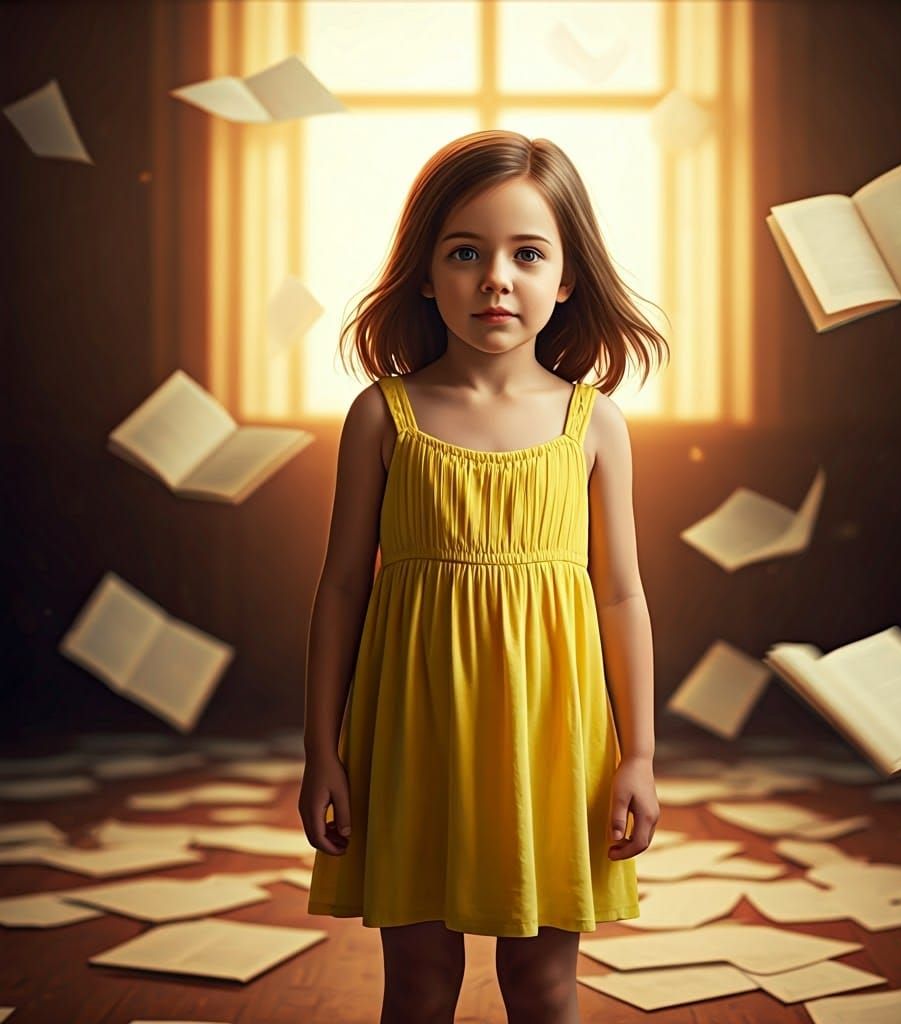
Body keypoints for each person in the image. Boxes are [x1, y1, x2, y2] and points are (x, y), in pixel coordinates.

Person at [298, 129, 669, 1024]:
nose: (495, 278)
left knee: (542, 985)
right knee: (419, 984)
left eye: (526, 253)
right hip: (414, 740)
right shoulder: (380, 416)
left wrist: (642, 754)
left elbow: (620, 594)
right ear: (426, 274)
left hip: (551, 744)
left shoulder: (597, 424)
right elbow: (343, 586)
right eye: (465, 252)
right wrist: (322, 751)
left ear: (567, 277)